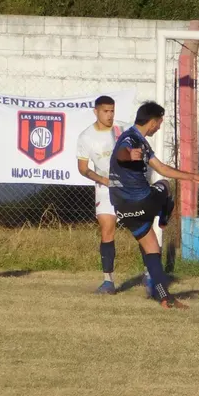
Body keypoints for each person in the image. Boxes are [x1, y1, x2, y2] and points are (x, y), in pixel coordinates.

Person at [108, 101, 199, 309]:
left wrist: (192, 177)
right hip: (140, 201)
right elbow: (121, 153)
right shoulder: (131, 138)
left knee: (152, 249)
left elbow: (161, 167)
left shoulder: (141, 142)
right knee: (165, 186)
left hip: (123, 210)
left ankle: (164, 297)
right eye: (159, 123)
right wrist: (129, 155)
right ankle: (163, 218)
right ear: (152, 122)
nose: (159, 127)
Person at [76, 95, 125, 294]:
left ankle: (149, 274)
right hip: (105, 187)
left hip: (128, 186)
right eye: (105, 111)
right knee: (107, 230)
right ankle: (108, 281)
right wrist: (102, 179)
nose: (110, 115)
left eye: (112, 110)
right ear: (96, 112)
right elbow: (82, 168)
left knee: (141, 229)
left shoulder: (122, 130)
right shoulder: (86, 136)